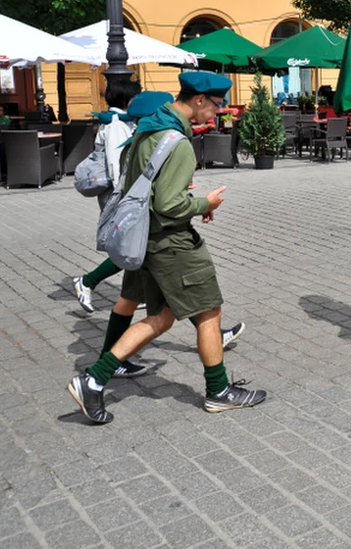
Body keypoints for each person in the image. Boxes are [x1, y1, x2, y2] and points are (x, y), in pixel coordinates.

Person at [67, 72, 264, 424]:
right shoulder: (178, 142)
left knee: (160, 317)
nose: (218, 113)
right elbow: (170, 205)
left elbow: (140, 186)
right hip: (173, 244)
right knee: (208, 312)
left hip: (148, 242)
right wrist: (205, 204)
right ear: (199, 100)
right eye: (217, 105)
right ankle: (218, 391)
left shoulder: (146, 130)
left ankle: (93, 380)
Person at [71, 75, 143, 313]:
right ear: (127, 99)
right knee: (128, 244)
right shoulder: (115, 123)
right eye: (136, 96)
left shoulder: (119, 120)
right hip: (117, 192)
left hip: (120, 191)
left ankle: (137, 292)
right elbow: (116, 163)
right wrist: (122, 196)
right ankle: (88, 281)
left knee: (134, 242)